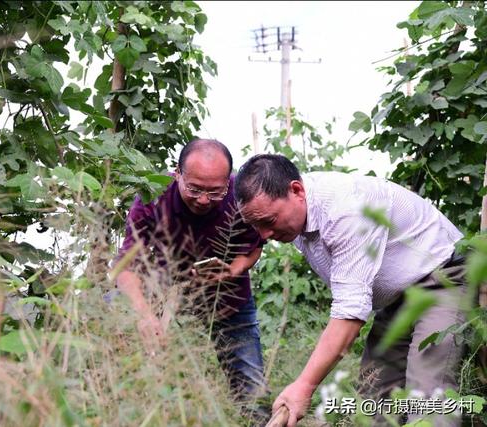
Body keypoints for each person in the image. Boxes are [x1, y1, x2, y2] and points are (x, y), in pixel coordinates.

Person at [234, 154, 468, 427]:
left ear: (296, 190)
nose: (263, 235)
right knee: (375, 395)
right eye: (256, 226)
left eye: (269, 221)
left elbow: (349, 313)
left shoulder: (345, 210)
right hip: (399, 297)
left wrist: (304, 386)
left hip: (443, 279)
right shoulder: (296, 214)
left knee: (428, 393)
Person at [114, 139, 269, 418]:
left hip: (228, 298)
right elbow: (126, 267)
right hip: (165, 292)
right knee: (113, 309)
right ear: (177, 174)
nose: (204, 200)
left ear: (228, 182)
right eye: (194, 189)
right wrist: (144, 314)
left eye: (215, 192)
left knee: (252, 392)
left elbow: (255, 246)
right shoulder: (153, 194)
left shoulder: (241, 194)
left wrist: (233, 269)